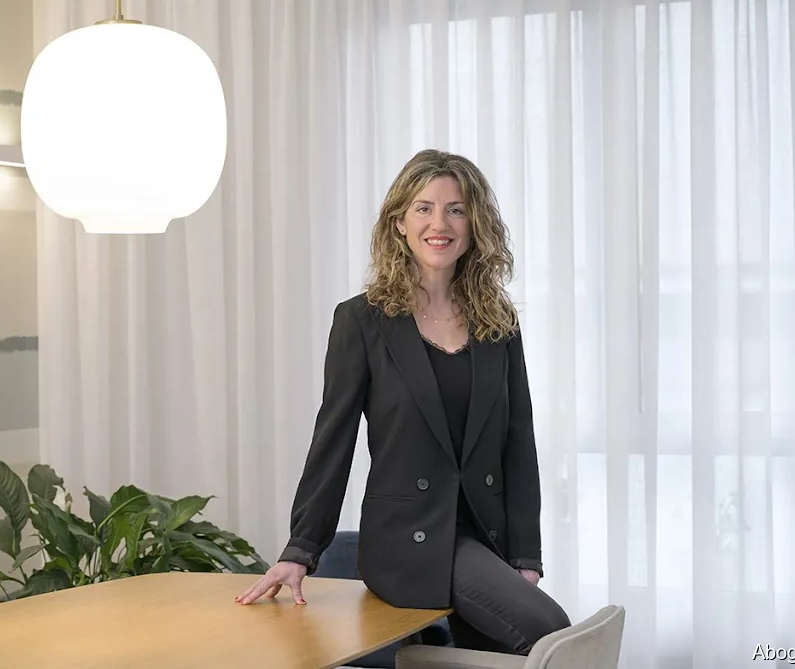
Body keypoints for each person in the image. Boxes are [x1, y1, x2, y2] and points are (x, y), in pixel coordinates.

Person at [235, 149, 571, 655]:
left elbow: (518, 442)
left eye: (456, 209)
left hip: (487, 537)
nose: (440, 224)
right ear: (399, 223)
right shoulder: (362, 321)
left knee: (506, 654)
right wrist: (301, 549)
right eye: (424, 208)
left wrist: (526, 555)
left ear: (474, 224)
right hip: (406, 541)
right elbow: (333, 441)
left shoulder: (498, 321)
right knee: (551, 630)